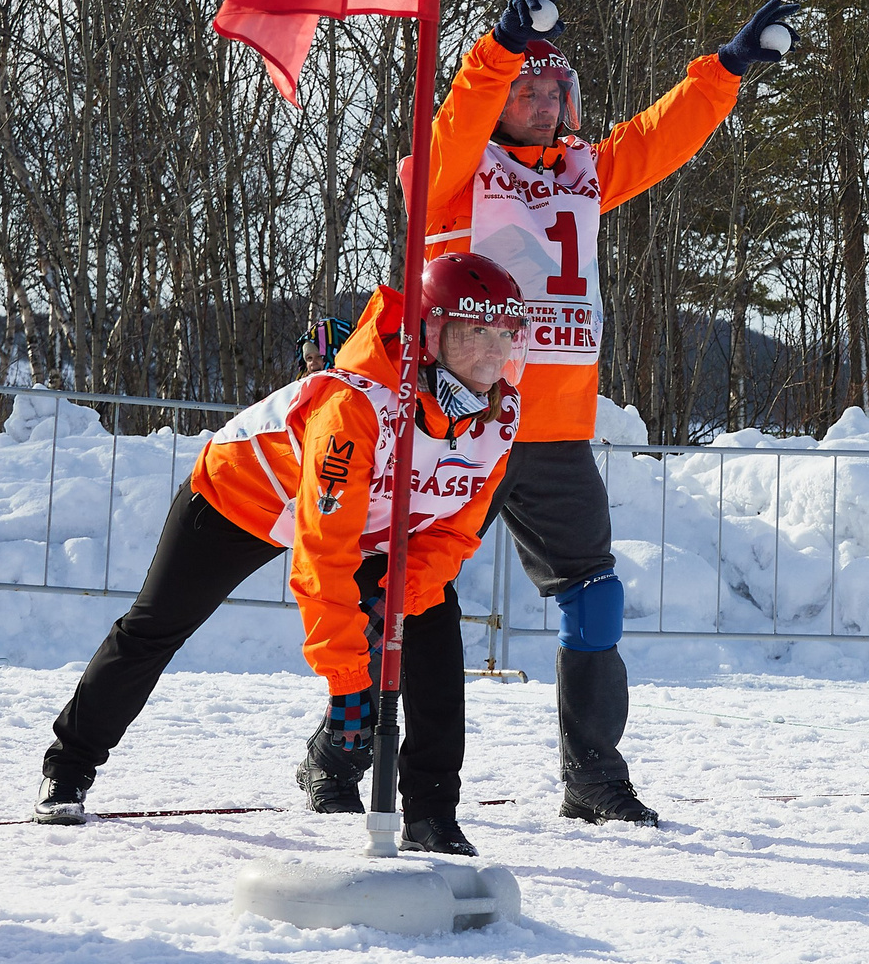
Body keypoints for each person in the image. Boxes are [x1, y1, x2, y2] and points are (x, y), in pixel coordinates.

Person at [426, 0, 798, 826]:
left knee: (594, 593)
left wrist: (726, 68)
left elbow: (660, 138)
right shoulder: (453, 169)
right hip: (458, 419)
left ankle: (592, 775)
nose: (549, 99)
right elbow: (455, 116)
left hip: (553, 427)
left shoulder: (586, 170)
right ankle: (344, 750)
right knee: (405, 590)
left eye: (559, 85)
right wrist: (500, 48)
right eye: (531, 85)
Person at [34, 255, 527, 853]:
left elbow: (452, 532)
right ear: (428, 335)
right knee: (156, 625)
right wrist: (348, 677)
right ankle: (70, 764)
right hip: (244, 495)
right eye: (473, 334)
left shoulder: (499, 417)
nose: (490, 356)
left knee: (432, 624)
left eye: (504, 336)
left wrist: (403, 595)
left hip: (370, 517)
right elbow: (323, 553)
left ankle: (431, 812)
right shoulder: (357, 408)